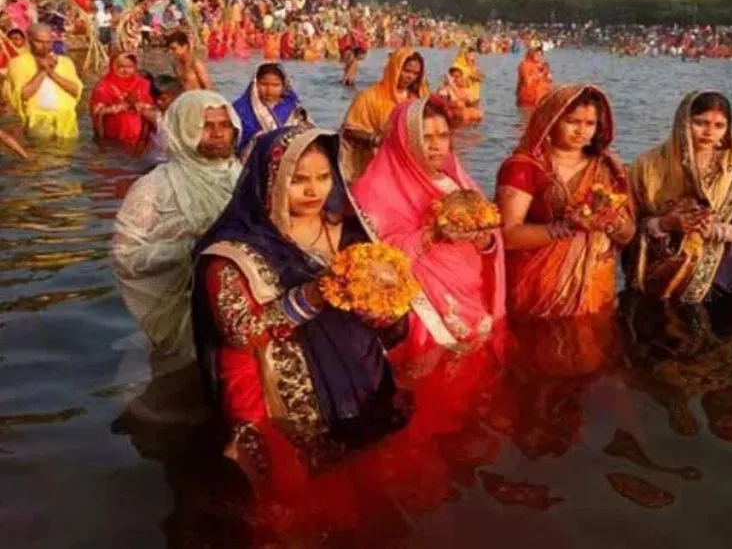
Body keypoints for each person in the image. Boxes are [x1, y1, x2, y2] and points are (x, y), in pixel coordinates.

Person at [192, 127, 409, 486]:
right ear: (270, 182)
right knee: (308, 494)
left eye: (324, 177)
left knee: (375, 477)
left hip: (364, 379)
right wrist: (310, 297)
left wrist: (385, 314)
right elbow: (239, 334)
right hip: (293, 399)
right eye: (299, 180)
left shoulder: (353, 232)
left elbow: (393, 313)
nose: (314, 191)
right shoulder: (232, 255)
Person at [352, 98, 505, 367]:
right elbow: (373, 257)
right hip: (423, 304)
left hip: (471, 292)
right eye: (426, 137)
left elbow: (490, 234)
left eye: (443, 136)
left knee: (478, 371)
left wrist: (486, 240)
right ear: (404, 139)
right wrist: (432, 235)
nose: (436, 146)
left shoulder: (454, 178)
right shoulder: (373, 189)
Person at [112, 91, 242, 384]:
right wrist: (189, 250)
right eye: (206, 126)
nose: (218, 134)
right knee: (181, 382)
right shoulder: (154, 187)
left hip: (236, 311)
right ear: (184, 130)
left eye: (225, 125)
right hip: (179, 310)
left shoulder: (242, 177)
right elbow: (126, 256)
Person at [496, 84, 635, 324]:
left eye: (590, 124)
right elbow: (507, 236)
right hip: (538, 285)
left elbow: (628, 234)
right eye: (572, 122)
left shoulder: (608, 168)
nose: (581, 131)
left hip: (594, 286)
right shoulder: (525, 167)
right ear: (550, 120)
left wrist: (614, 223)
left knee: (593, 341)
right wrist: (568, 226)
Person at [626, 90, 732, 304]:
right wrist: (664, 224)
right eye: (700, 123)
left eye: (719, 126)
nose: (709, 132)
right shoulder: (647, 165)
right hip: (657, 268)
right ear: (682, 122)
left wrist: (719, 231)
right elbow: (628, 224)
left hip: (716, 272)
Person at [340, 47, 429, 181]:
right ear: (395, 68)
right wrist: (377, 139)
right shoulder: (369, 96)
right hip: (376, 164)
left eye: (415, 73)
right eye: (406, 71)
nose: (410, 77)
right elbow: (349, 131)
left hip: (410, 165)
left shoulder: (419, 98)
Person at [2, 23, 83, 140]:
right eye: (39, 42)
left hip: (66, 121)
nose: (45, 46)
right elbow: (23, 95)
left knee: (66, 150)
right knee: (41, 150)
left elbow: (76, 90)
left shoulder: (65, 62)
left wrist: (51, 72)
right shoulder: (18, 63)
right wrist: (42, 71)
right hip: (37, 121)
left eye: (48, 42)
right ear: (29, 41)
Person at [232, 62, 311, 152]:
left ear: (284, 86)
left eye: (275, 85)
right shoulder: (240, 109)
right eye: (263, 84)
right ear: (255, 84)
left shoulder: (295, 109)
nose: (269, 90)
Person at [89, 50, 156, 152]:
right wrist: (114, 108)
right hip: (113, 138)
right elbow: (95, 111)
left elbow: (156, 108)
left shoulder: (144, 84)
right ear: (113, 66)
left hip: (140, 138)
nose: (125, 71)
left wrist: (140, 106)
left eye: (130, 67)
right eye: (121, 67)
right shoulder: (104, 86)